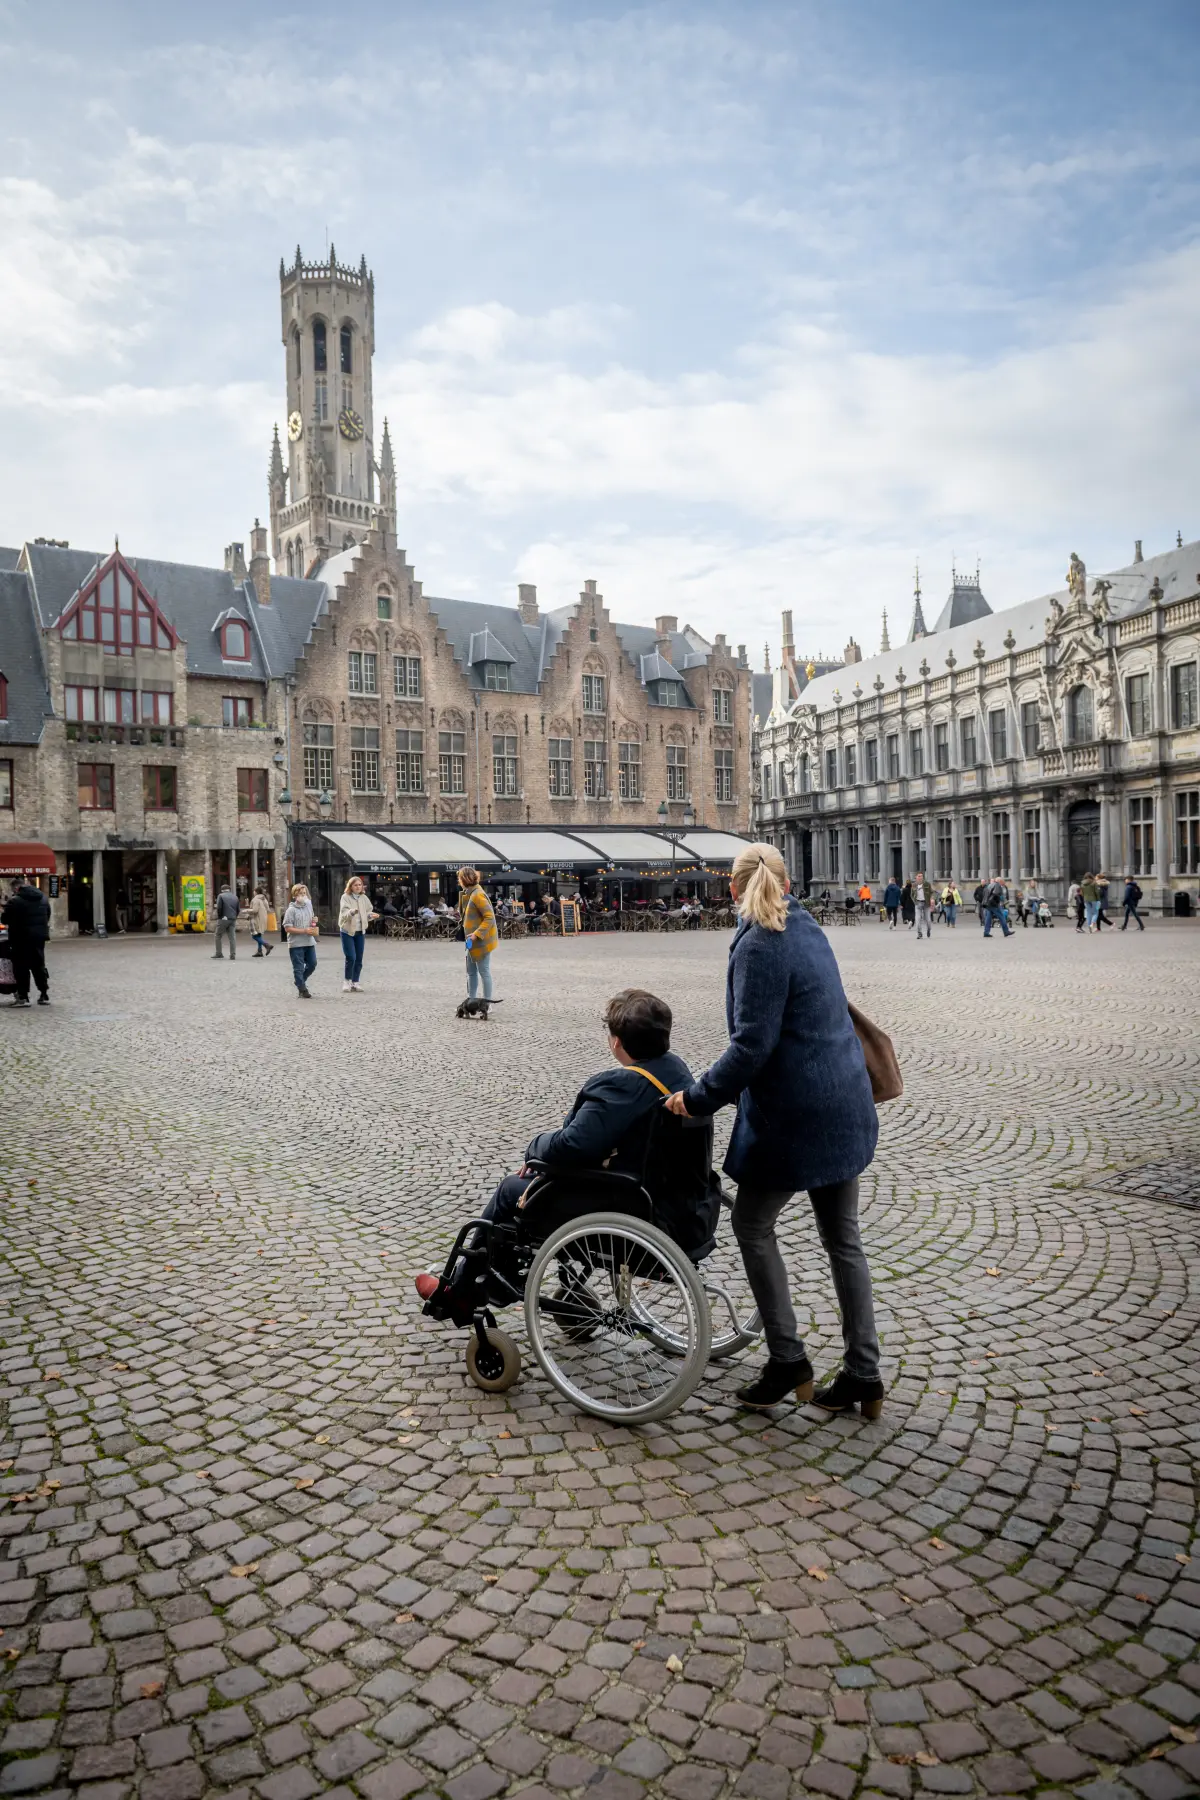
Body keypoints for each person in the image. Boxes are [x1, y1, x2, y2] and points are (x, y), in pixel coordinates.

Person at [665, 843, 883, 1416]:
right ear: (787, 883)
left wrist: (697, 1098)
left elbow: (751, 1047)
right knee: (844, 1239)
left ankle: (788, 1358)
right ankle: (864, 1370)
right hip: (845, 1101)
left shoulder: (759, 945)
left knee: (751, 1223)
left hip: (798, 1115)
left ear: (732, 890)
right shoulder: (809, 927)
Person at [414, 989, 709, 1310]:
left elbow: (573, 1145)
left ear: (616, 1042)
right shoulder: (677, 1072)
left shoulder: (619, 1086)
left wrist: (535, 1152)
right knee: (531, 1183)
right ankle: (496, 1275)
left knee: (511, 1190)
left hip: (628, 1200)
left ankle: (460, 1290)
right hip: (674, 1197)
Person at [2, 881, 51, 1007]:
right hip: (39, 937)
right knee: (39, 965)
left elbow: (5, 919)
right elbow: (48, 915)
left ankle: (23, 996)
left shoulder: (15, 901)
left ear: (16, 889)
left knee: (21, 967)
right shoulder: (43, 899)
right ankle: (44, 994)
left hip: (20, 938)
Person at [458, 866, 498, 1005]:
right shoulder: (469, 893)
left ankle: (487, 1004)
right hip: (471, 940)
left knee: (483, 971)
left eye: (459, 878)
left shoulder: (477, 894)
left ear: (464, 879)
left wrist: (476, 934)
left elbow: (490, 917)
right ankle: (471, 1001)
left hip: (480, 941)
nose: (459, 881)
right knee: (471, 972)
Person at [338, 875, 378, 992]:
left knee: (359, 958)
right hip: (347, 931)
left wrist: (371, 915)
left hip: (360, 931)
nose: (358, 887)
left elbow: (368, 912)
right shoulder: (345, 897)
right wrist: (351, 912)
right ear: (350, 886)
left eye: (360, 885)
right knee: (351, 957)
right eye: (355, 885)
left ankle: (356, 981)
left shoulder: (364, 898)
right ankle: (347, 981)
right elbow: (344, 912)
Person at [283, 882, 319, 997]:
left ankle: (300, 981)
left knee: (312, 963)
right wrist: (304, 931)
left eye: (304, 893)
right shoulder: (291, 910)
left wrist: (314, 921)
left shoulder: (309, 906)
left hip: (309, 941)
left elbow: (311, 921)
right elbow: (287, 928)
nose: (303, 896)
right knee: (298, 967)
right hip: (296, 943)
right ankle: (302, 989)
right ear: (294, 896)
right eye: (300, 894)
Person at [244, 887, 274, 958]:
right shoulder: (264, 899)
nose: (253, 892)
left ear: (256, 892)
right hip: (263, 919)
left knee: (254, 936)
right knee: (259, 935)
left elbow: (255, 910)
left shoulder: (255, 900)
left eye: (254, 891)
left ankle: (267, 945)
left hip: (256, 919)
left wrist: (246, 911)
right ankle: (259, 951)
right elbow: (268, 909)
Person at [212, 882, 239, 960]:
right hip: (232, 919)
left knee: (218, 935)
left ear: (222, 890)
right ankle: (233, 954)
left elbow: (219, 908)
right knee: (232, 937)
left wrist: (220, 917)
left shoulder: (220, 896)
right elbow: (238, 910)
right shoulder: (235, 897)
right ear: (229, 890)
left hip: (223, 919)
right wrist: (234, 917)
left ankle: (219, 953)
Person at [913, 872, 934, 940]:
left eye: (921, 876)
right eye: (919, 876)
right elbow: (912, 894)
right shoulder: (914, 885)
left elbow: (931, 892)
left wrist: (932, 899)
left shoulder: (927, 884)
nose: (920, 877)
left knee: (928, 919)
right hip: (918, 903)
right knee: (918, 919)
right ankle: (919, 933)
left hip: (926, 903)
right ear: (916, 877)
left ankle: (929, 929)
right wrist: (914, 901)